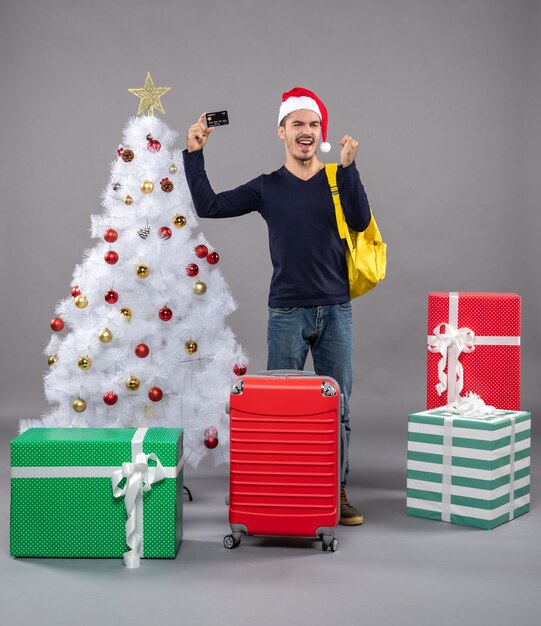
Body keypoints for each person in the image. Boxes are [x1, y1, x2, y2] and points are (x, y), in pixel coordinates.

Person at [183, 87, 371, 525]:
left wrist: (350, 170)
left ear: (320, 134)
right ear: (282, 131)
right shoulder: (267, 187)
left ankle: (335, 491)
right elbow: (208, 205)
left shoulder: (336, 178)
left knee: (338, 409)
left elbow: (360, 221)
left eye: (314, 125)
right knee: (281, 411)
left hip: (336, 310)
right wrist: (194, 154)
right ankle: (279, 489)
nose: (307, 132)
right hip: (286, 312)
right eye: (298, 124)